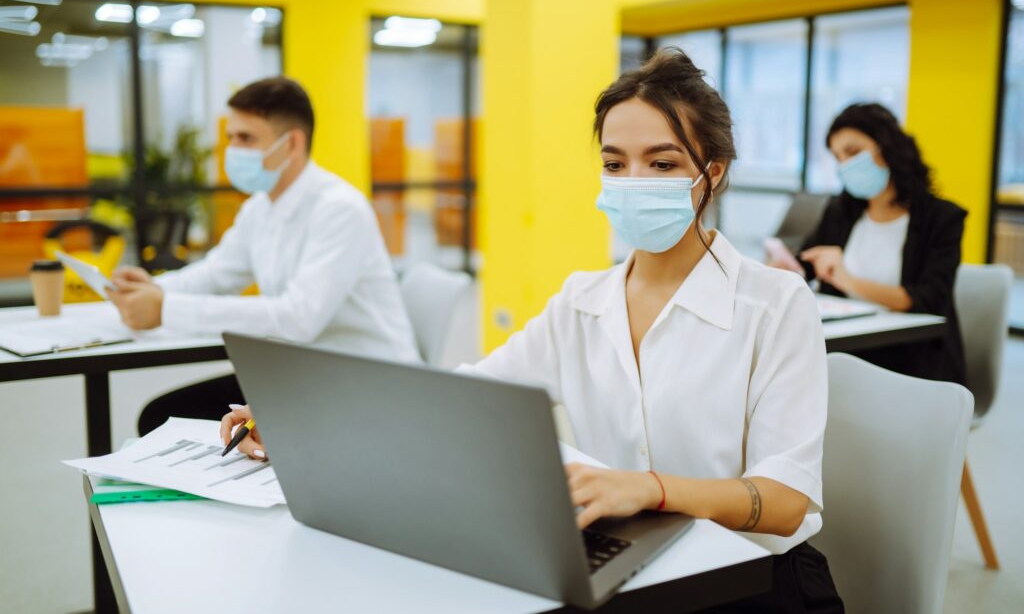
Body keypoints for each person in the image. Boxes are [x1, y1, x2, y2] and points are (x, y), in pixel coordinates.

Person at [222, 50, 843, 610]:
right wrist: (303, 423)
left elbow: (786, 502)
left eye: (662, 162)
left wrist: (646, 489)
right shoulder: (581, 301)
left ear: (713, 170)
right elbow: (454, 400)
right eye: (614, 162)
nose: (634, 181)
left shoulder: (774, 303)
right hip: (634, 571)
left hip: (754, 582)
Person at [109, 76, 420, 435]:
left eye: (247, 139)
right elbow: (216, 275)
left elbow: (298, 318)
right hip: (304, 372)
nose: (233, 149)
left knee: (164, 420)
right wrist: (154, 289)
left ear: (293, 143)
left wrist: (164, 309)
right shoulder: (261, 208)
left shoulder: (339, 209)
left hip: (366, 383)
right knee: (162, 416)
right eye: (230, 137)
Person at [775, 103, 966, 384]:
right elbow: (810, 263)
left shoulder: (941, 218)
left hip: (914, 360)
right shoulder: (841, 210)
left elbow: (927, 299)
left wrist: (849, 281)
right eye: (838, 157)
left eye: (853, 152)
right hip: (846, 351)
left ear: (888, 149)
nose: (845, 165)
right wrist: (787, 268)